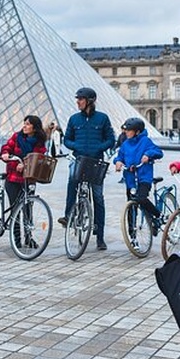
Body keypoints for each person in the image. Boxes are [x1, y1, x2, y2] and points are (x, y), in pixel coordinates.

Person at [61, 87, 115, 251]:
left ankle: (100, 236)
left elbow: (111, 139)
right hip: (79, 159)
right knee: (72, 183)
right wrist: (75, 145)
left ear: (89, 101)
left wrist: (99, 147)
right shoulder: (74, 119)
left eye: (81, 99)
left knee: (98, 197)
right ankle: (68, 214)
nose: (77, 101)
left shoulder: (102, 118)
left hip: (96, 161)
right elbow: (66, 140)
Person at [0, 115, 48, 248]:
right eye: (24, 123)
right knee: (16, 209)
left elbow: (39, 157)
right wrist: (5, 154)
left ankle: (28, 238)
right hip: (13, 179)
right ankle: (16, 240)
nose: (24, 126)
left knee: (28, 209)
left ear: (34, 127)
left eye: (28, 124)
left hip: (29, 179)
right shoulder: (17, 137)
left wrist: (25, 163)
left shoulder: (39, 142)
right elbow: (6, 147)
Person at [113, 117, 164, 235]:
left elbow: (159, 152)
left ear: (137, 131)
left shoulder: (146, 141)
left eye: (128, 130)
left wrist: (148, 154)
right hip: (130, 179)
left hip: (144, 178)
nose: (126, 132)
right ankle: (132, 236)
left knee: (141, 199)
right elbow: (119, 156)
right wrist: (118, 162)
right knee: (131, 207)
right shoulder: (125, 144)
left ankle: (158, 214)